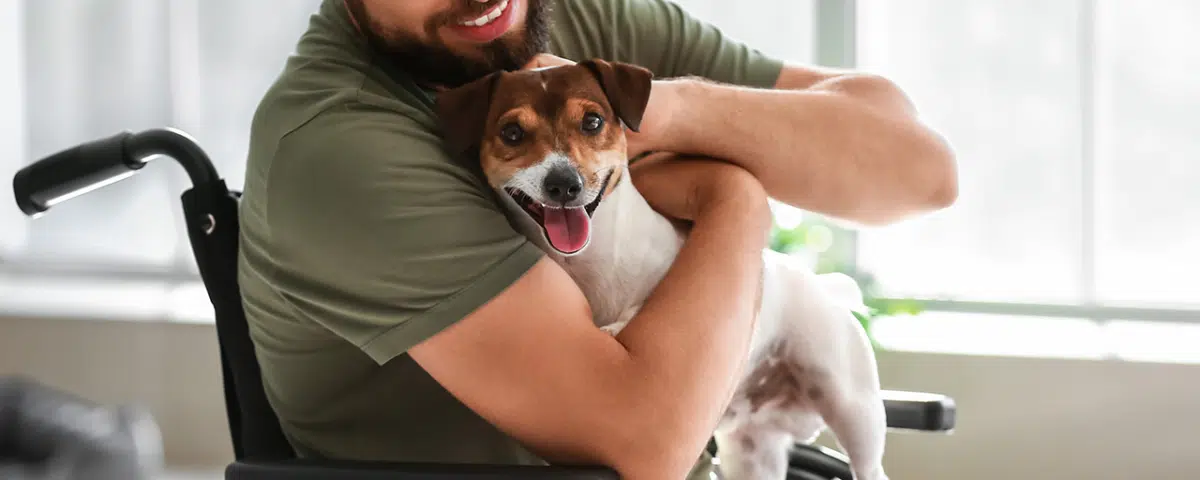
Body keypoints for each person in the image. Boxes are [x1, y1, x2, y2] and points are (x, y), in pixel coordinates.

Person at [235, 0, 958, 479]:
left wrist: (670, 110)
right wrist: (732, 194)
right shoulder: (340, 146)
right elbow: (645, 444)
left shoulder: (552, 16)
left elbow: (917, 170)